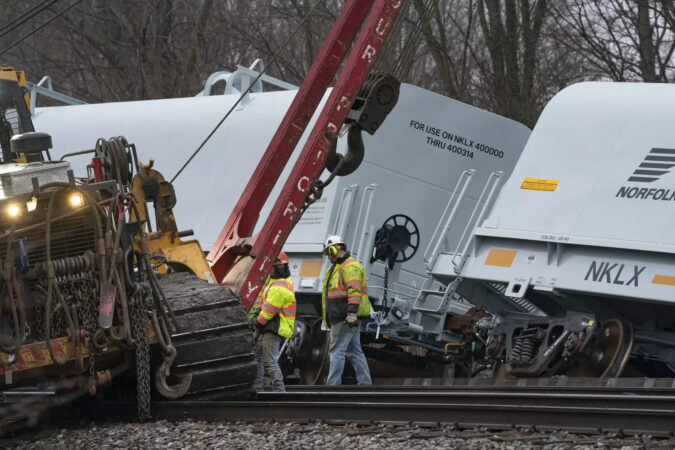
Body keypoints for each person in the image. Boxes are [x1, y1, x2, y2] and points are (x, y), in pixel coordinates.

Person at [321, 235, 372, 385]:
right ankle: (365, 383)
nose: (328, 257)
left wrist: (351, 313)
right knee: (354, 351)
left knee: (336, 350)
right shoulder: (337, 268)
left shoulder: (350, 266)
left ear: (334, 249)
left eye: (328, 253)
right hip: (343, 316)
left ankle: (332, 386)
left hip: (344, 317)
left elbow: (354, 290)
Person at [251, 251, 296, 392]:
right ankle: (258, 387)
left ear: (278, 268)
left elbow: (269, 310)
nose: (268, 270)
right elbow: (267, 305)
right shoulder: (278, 283)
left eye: (271, 267)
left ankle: (279, 391)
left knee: (268, 362)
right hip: (269, 327)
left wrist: (257, 321)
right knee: (257, 357)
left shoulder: (278, 287)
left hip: (273, 328)